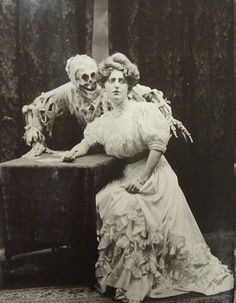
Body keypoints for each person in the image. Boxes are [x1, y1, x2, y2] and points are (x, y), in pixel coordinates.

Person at [63, 53, 233, 302]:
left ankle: (140, 279)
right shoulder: (105, 120)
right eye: (111, 81)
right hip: (126, 174)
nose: (117, 86)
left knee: (131, 208)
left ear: (129, 85)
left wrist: (142, 179)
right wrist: (74, 152)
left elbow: (157, 146)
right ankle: (123, 277)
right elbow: (87, 141)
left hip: (154, 174)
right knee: (107, 200)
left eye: (122, 81)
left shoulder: (143, 111)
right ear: (104, 86)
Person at [22, 54, 192, 159]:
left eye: (92, 76)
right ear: (74, 80)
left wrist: (168, 117)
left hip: (125, 150)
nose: (90, 82)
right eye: (84, 77)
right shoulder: (68, 92)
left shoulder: (110, 85)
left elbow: (149, 94)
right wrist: (37, 138)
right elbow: (37, 106)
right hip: (94, 149)